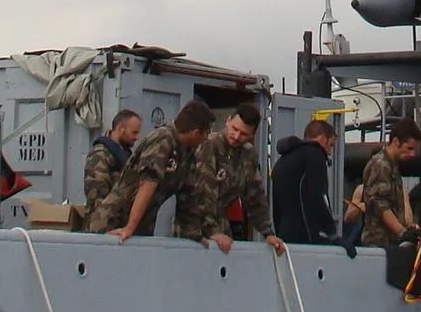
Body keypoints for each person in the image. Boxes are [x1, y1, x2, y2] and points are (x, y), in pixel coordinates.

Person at [174, 104, 284, 254]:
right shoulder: (209, 145)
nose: (237, 136)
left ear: (253, 135)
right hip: (193, 226)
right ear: (227, 121)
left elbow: (255, 196)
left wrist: (268, 233)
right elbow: (203, 192)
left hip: (221, 224)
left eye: (244, 134)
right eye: (234, 129)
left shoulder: (248, 154)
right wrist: (212, 231)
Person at [97, 100, 214, 242]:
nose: (207, 138)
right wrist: (129, 228)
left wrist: (194, 234)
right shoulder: (163, 139)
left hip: (141, 226)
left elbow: (188, 196)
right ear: (196, 133)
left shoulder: (187, 150)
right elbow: (147, 185)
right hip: (116, 222)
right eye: (207, 133)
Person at [272, 119, 340, 245]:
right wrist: (332, 233)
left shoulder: (282, 160)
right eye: (331, 145)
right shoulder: (315, 154)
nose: (330, 152)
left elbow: (275, 204)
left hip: (284, 236)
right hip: (307, 235)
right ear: (323, 138)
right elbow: (318, 195)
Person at [358, 120, 421, 249]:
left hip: (391, 243)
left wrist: (408, 227)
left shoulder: (392, 166)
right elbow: (380, 206)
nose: (412, 154)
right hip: (379, 244)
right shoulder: (380, 165)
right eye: (409, 148)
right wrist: (402, 232)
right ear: (396, 142)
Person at [76, 109, 142, 231]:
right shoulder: (100, 154)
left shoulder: (125, 156)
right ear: (121, 128)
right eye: (134, 133)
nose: (136, 137)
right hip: (104, 228)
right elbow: (96, 198)